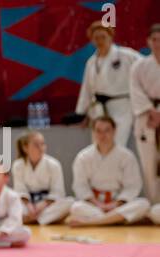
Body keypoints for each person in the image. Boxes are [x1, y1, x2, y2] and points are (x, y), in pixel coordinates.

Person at [67, 116, 153, 226]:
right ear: (93, 132)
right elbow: (80, 186)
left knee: (143, 204)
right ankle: (116, 219)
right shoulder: (83, 157)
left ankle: (93, 222)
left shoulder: (126, 156)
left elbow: (133, 186)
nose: (103, 135)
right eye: (98, 131)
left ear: (114, 131)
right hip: (94, 205)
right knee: (76, 207)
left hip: (118, 203)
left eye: (107, 130)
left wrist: (116, 204)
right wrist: (97, 204)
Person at [76, 21, 140, 149]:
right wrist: (83, 113)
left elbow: (147, 68)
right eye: (96, 38)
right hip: (98, 110)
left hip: (122, 107)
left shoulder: (126, 55)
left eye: (103, 37)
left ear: (111, 37)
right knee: (98, 146)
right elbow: (87, 89)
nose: (100, 41)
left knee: (117, 145)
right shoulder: (92, 62)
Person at [10, 131, 71, 225]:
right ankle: (43, 219)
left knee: (70, 202)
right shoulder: (18, 165)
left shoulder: (54, 164)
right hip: (28, 205)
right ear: (25, 148)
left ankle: (30, 219)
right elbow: (19, 190)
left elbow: (58, 191)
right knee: (11, 204)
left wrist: (43, 204)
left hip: (47, 204)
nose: (41, 148)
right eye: (36, 145)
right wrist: (29, 205)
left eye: (43, 144)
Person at [130, 24, 160, 206]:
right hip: (146, 119)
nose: (158, 44)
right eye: (154, 40)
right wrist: (151, 111)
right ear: (148, 42)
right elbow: (135, 90)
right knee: (148, 165)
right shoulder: (139, 66)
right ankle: (154, 205)